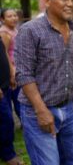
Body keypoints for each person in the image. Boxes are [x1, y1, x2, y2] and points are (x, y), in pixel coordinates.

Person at [14, 0, 73, 165]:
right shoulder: (30, 30)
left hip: (69, 108)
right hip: (37, 111)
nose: (70, 4)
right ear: (47, 1)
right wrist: (41, 110)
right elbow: (24, 74)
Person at [0, 36, 23, 165]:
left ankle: (6, 151)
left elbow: (4, 53)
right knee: (7, 120)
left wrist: (11, 72)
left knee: (5, 121)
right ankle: (8, 155)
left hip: (5, 85)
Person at [0, 8, 20, 119]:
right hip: (12, 69)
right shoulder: (4, 33)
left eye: (15, 15)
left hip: (18, 68)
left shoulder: (14, 30)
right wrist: (12, 73)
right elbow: (4, 53)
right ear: (2, 19)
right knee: (16, 99)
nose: (14, 18)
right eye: (9, 16)